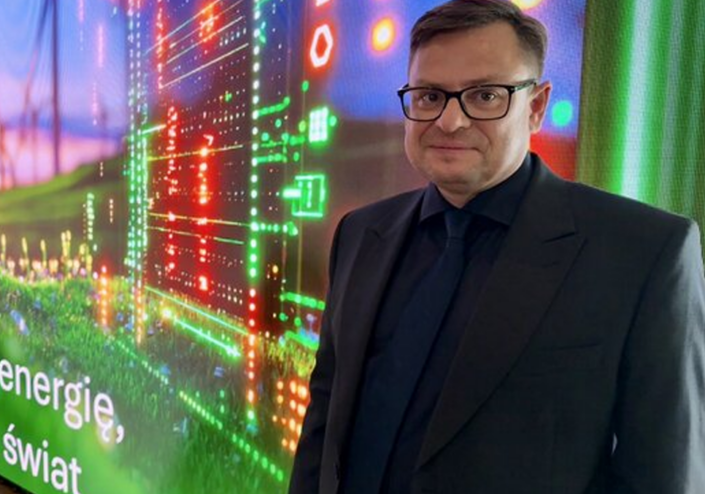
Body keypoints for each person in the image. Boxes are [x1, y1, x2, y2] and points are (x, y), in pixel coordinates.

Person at [289, 1, 705, 493]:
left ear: (536, 106)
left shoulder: (642, 253)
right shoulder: (362, 233)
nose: (449, 121)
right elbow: (325, 420)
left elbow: (663, 473)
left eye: (485, 96)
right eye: (429, 96)